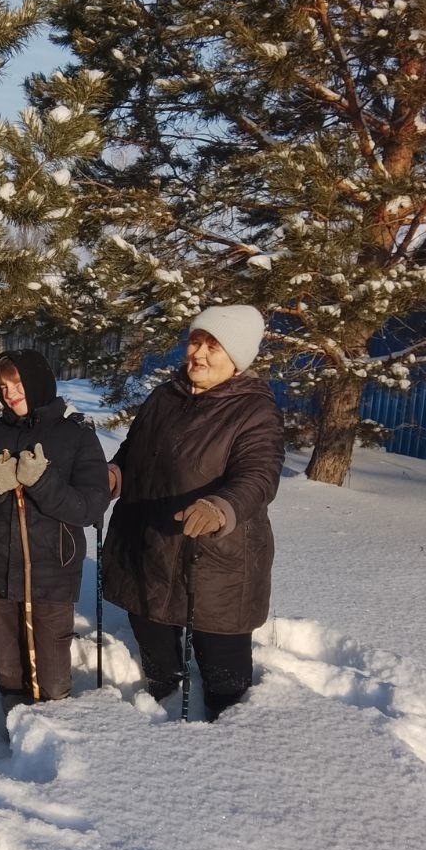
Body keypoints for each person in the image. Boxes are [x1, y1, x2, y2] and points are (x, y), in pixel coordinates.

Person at [102, 305, 283, 721]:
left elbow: (259, 475)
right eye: (195, 341)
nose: (198, 353)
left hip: (216, 557)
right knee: (154, 641)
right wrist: (116, 474)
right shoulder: (166, 395)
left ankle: (229, 733)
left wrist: (222, 506)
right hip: (148, 546)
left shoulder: (253, 410)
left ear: (237, 357)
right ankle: (163, 698)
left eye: (213, 346)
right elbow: (135, 450)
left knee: (224, 670)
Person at [0, 349, 110, 711]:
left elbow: (88, 508)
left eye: (18, 383)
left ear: (39, 382)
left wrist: (43, 482)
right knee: (7, 665)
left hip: (53, 569)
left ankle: (52, 737)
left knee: (51, 670)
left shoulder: (75, 436)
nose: (10, 394)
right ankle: (17, 731)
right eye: (2, 386)